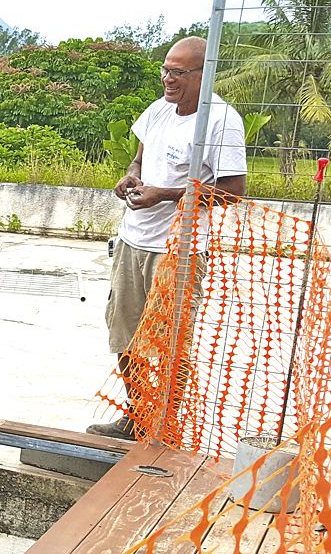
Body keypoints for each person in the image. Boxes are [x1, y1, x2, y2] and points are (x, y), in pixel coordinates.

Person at [88, 36, 246, 440]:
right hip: (132, 241)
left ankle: (166, 426)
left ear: (204, 74)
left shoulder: (221, 121)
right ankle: (138, 418)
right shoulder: (158, 110)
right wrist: (131, 177)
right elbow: (139, 159)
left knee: (171, 343)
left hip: (179, 251)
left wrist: (166, 195)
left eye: (178, 72)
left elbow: (232, 192)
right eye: (165, 69)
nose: (167, 79)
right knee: (125, 336)